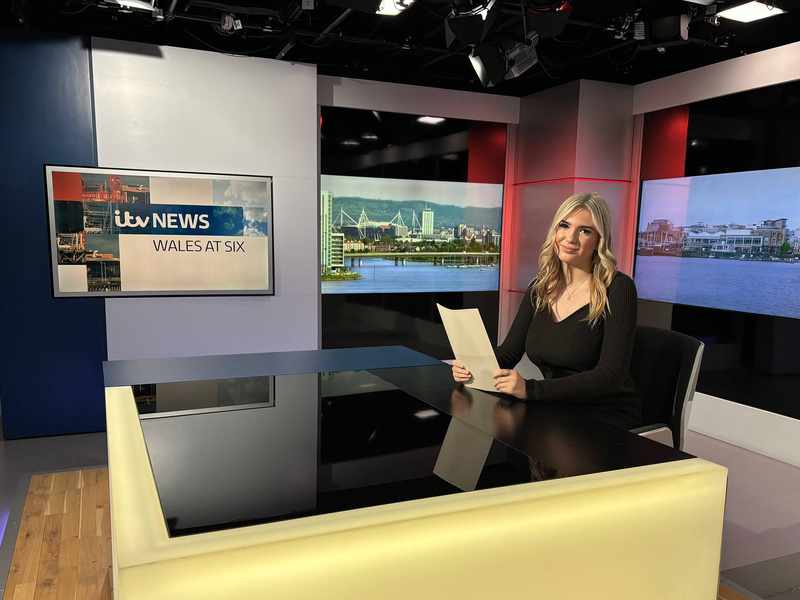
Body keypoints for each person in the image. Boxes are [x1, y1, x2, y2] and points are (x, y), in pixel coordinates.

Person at [451, 192, 641, 429]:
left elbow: (610, 376)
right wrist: (474, 366)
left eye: (585, 231)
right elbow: (509, 353)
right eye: (565, 225)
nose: (570, 237)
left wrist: (530, 389)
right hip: (554, 405)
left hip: (603, 413)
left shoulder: (618, 288)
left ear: (599, 241)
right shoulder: (540, 287)